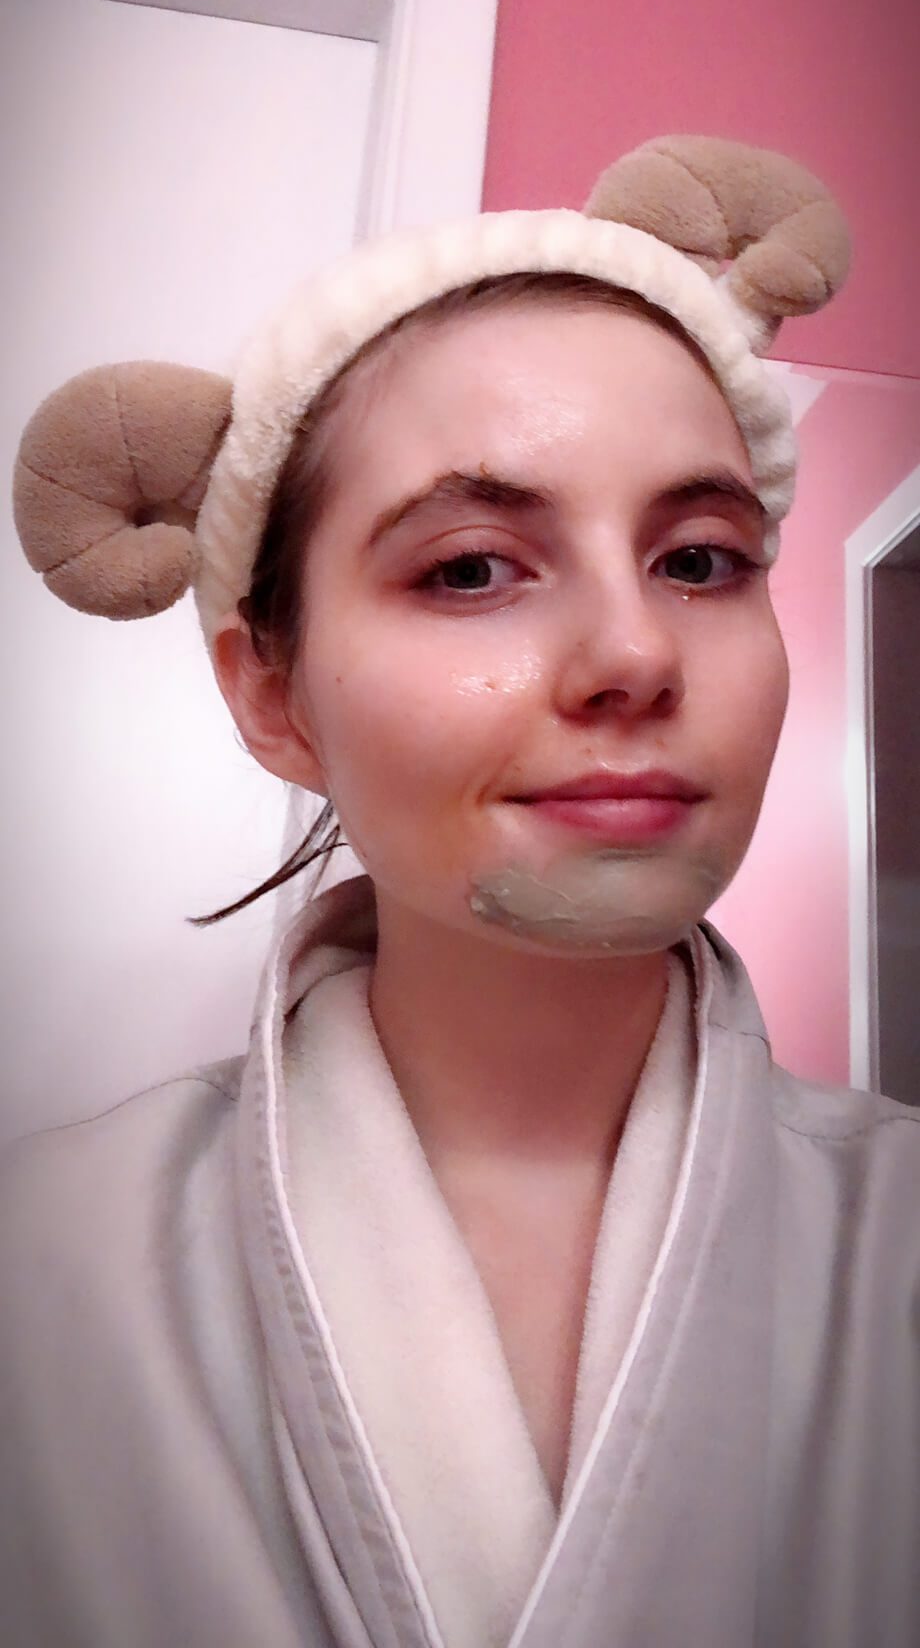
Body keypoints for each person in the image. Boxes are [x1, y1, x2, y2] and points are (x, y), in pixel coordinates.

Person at [3, 135, 918, 1648]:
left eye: (701, 561)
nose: (636, 654)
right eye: (473, 570)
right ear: (273, 696)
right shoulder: (39, 1270)